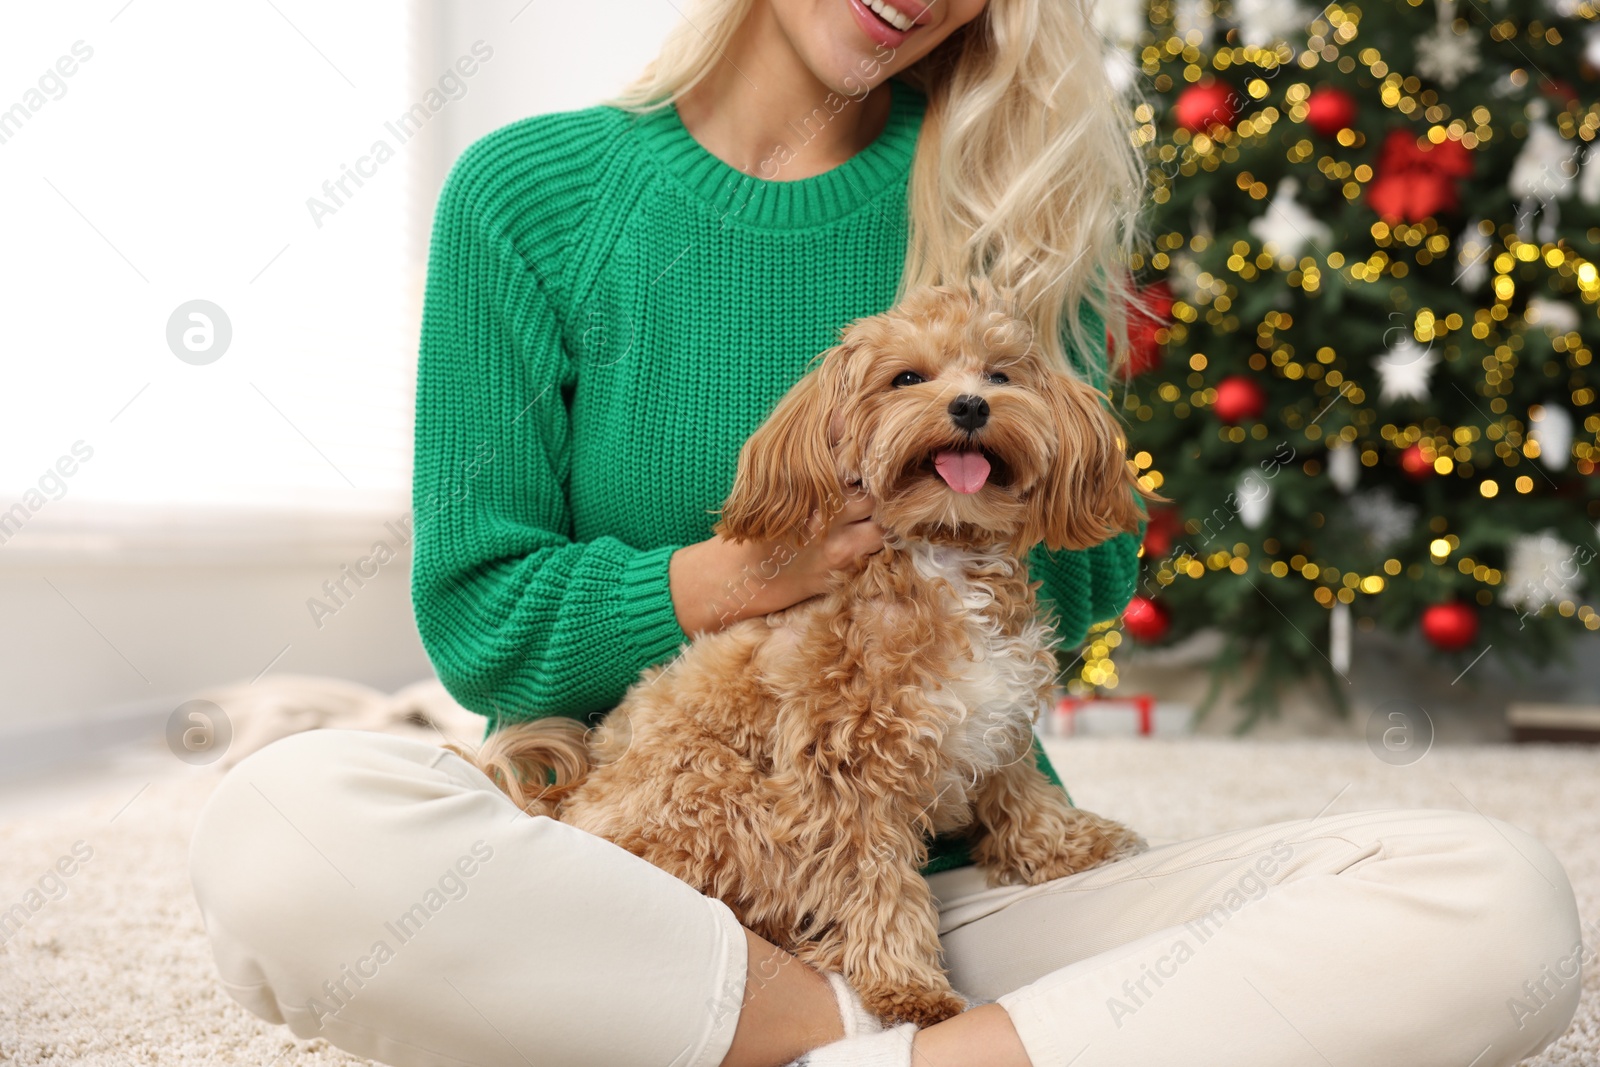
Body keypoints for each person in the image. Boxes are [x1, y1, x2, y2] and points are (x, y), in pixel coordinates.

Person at [189, 0, 1584, 1064]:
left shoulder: (1008, 199)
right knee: (279, 830)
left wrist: (1034, 395)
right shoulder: (533, 199)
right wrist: (751, 574)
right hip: (635, 892)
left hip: (962, 897)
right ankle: (857, 1025)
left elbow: (1082, 609)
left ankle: (879, 1047)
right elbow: (490, 624)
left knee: (1494, 902)